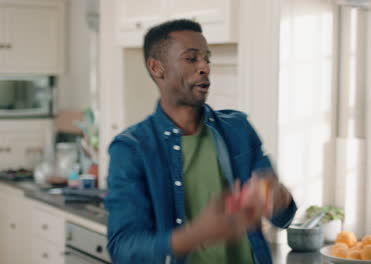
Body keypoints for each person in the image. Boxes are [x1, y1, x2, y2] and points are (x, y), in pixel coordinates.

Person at [105, 19, 297, 264]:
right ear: (157, 68)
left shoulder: (238, 128)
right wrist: (197, 234)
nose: (205, 67)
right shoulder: (132, 148)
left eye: (207, 58)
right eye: (192, 58)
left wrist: (278, 197)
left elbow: (283, 217)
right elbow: (123, 248)